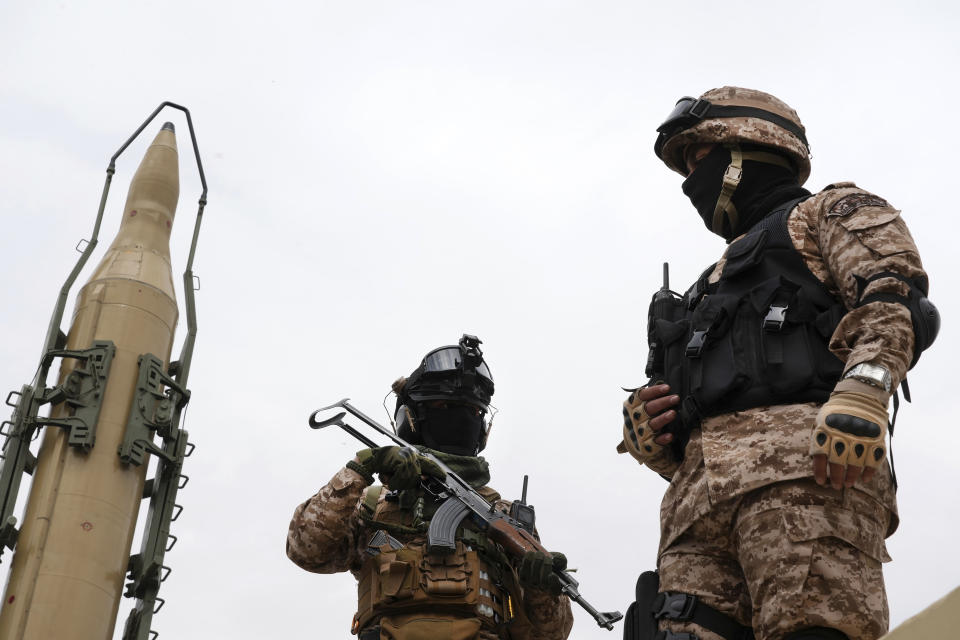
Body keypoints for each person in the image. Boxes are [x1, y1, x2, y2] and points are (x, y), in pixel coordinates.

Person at [617, 87, 938, 640]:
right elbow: (692, 409)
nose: (693, 180)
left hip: (809, 476)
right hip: (695, 511)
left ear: (748, 150)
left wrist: (865, 387)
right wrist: (649, 434)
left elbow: (893, 299)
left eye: (699, 158)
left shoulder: (827, 213)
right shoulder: (697, 292)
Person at [288, 335, 574, 640]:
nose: (463, 420)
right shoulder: (375, 504)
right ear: (411, 420)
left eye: (474, 412)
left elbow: (553, 633)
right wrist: (362, 465)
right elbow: (307, 549)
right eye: (443, 406)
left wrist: (541, 589)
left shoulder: (502, 516)